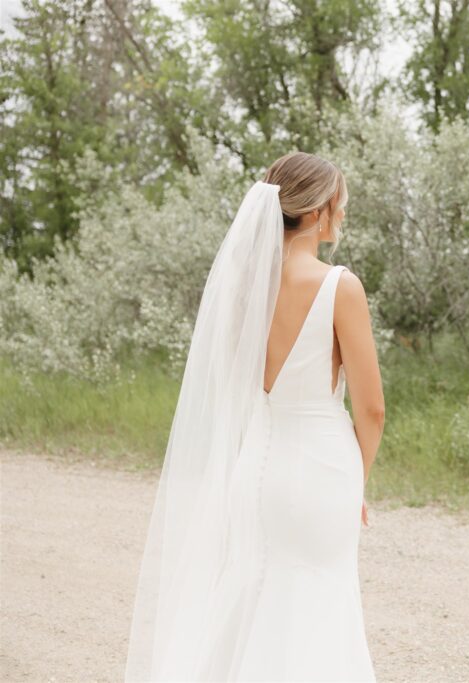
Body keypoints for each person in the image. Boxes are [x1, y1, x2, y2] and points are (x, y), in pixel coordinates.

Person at [125, 152, 385, 681]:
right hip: (321, 469)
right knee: (318, 605)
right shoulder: (340, 285)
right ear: (315, 211)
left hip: (257, 467)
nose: (344, 213)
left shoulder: (243, 286)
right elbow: (372, 409)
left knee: (252, 593)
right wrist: (357, 480)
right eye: (340, 203)